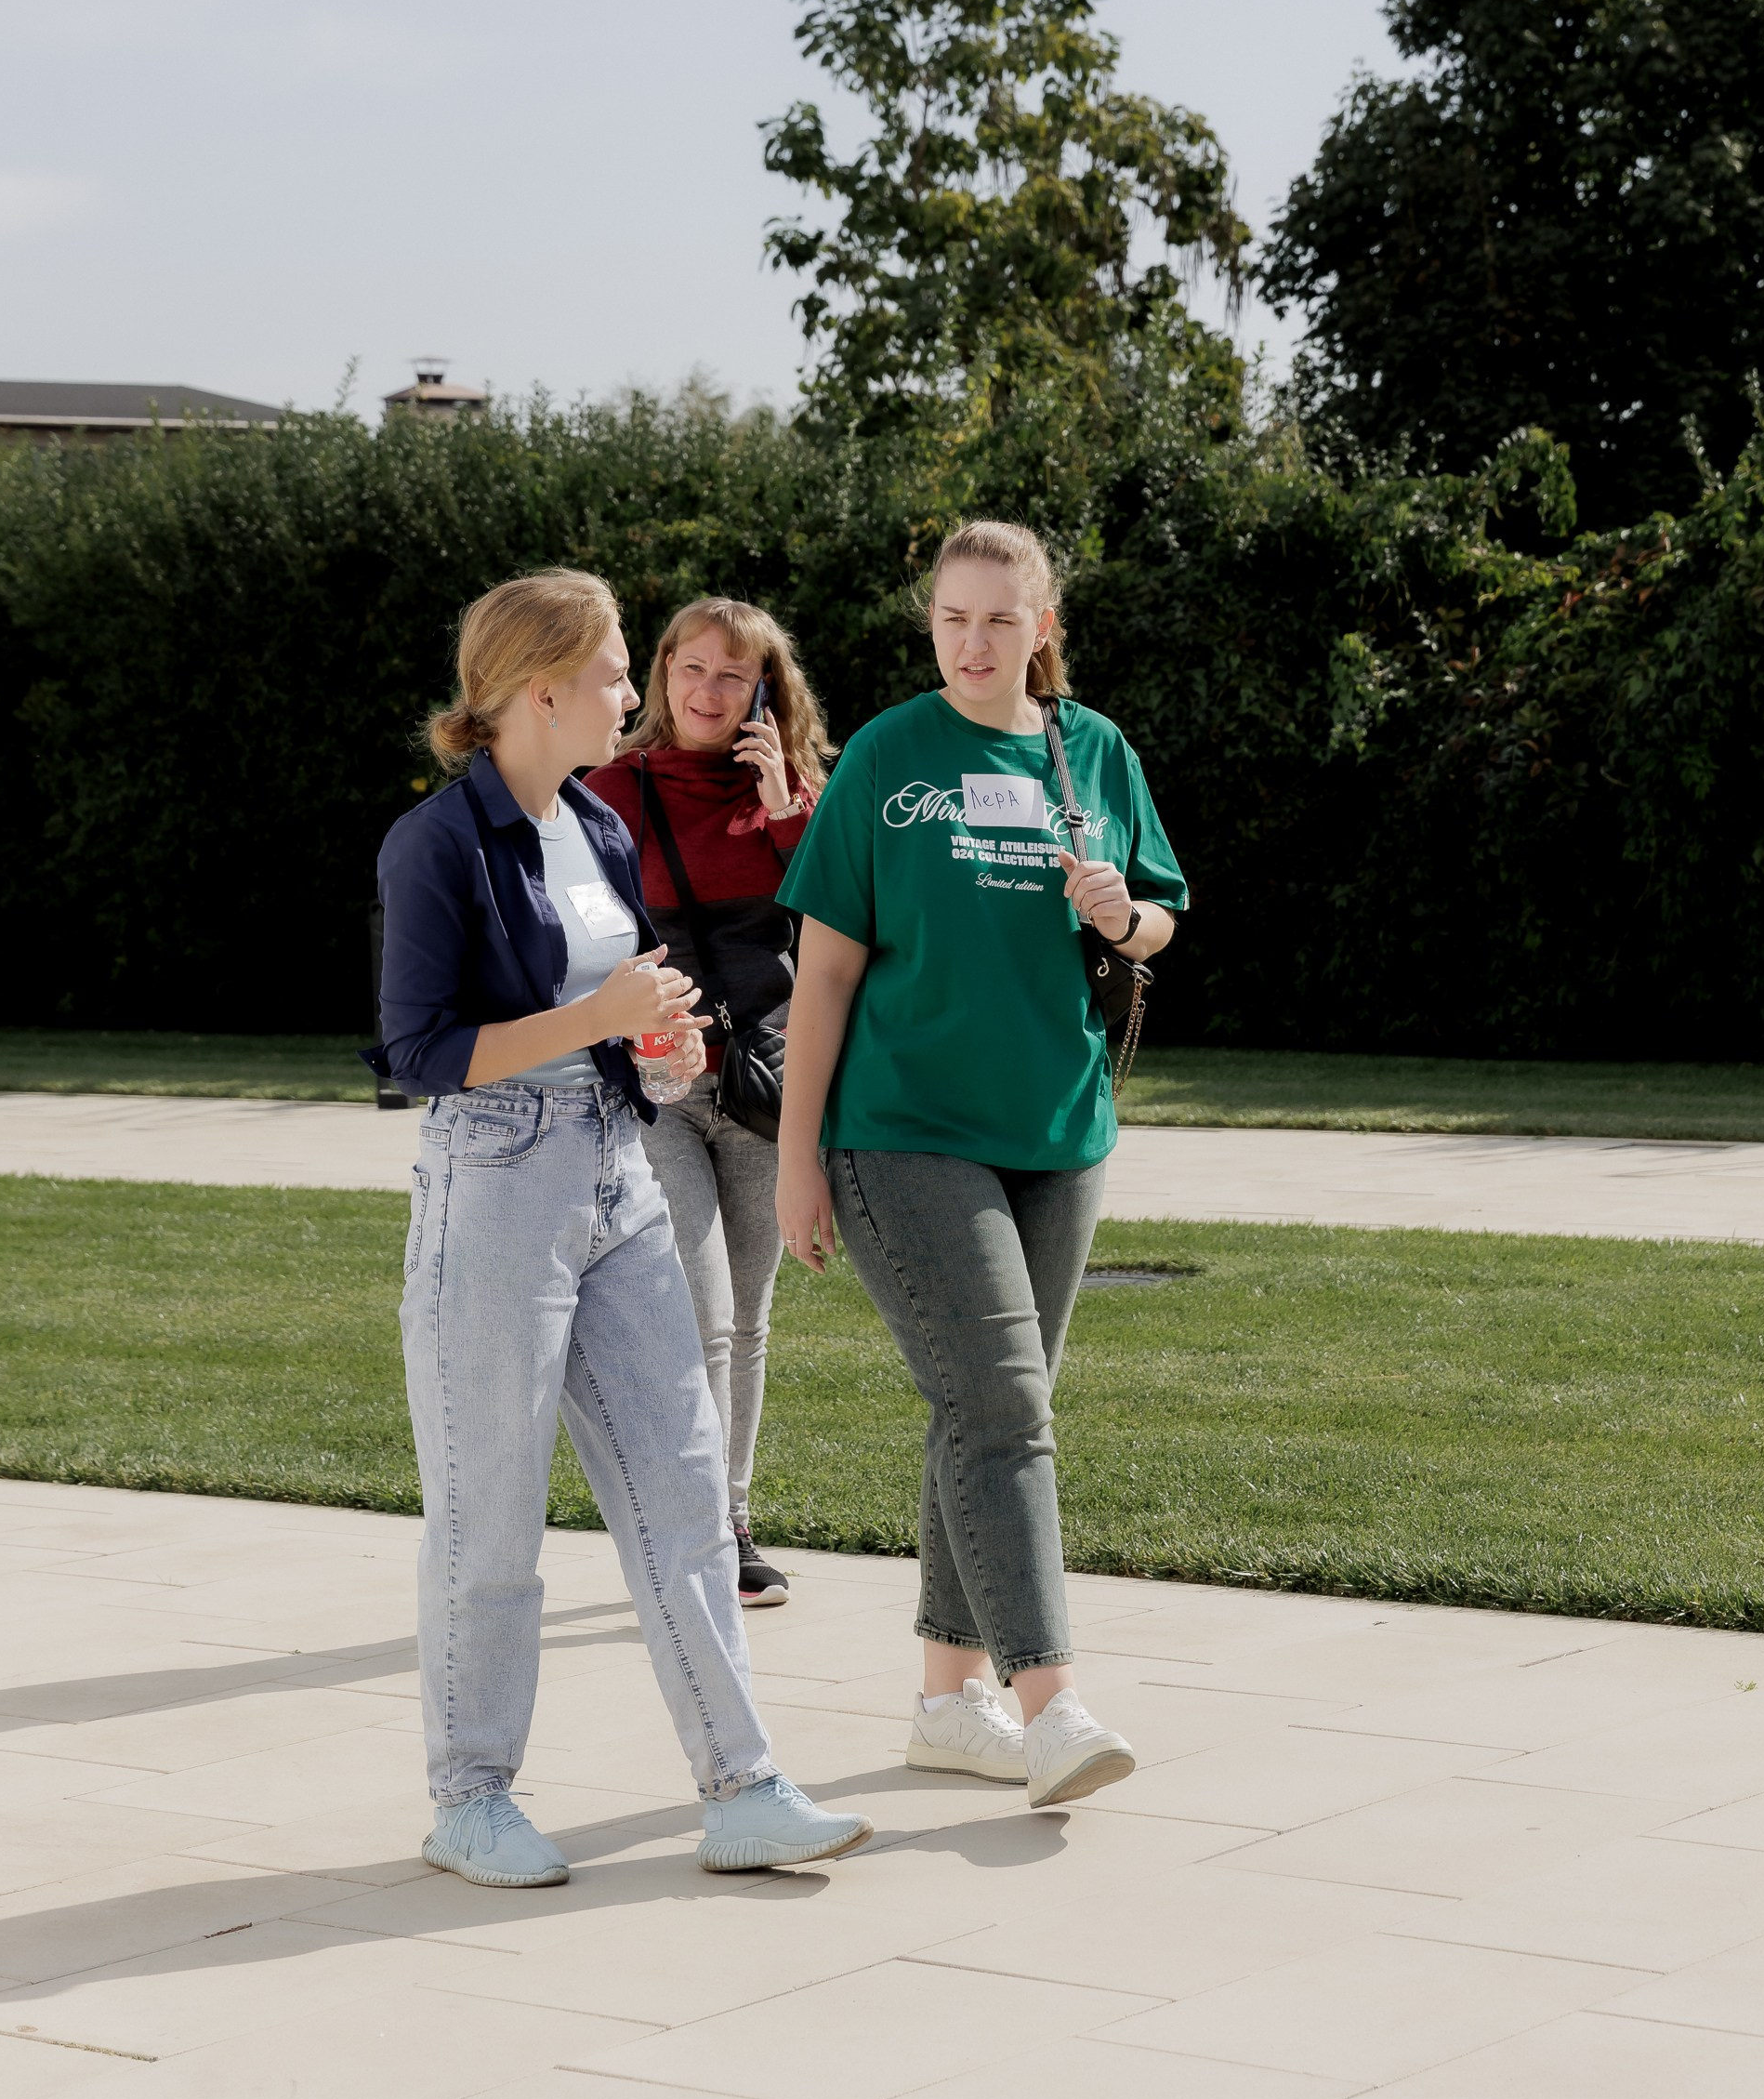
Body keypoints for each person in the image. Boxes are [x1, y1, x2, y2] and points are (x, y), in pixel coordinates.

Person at [370, 568, 872, 1885]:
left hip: (616, 1172)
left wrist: (656, 1047)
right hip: (494, 1192)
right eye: (605, 673)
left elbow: (620, 1005)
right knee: (491, 1519)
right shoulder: (437, 845)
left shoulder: (593, 824)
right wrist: (597, 1023)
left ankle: (744, 1783)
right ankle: (470, 1798)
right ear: (537, 689)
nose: (624, 694)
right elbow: (414, 1053)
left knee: (686, 1495)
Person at [774, 519, 1186, 1809]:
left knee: (988, 1406)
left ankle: (948, 1701)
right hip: (904, 1131)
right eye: (953, 618)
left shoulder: (1094, 749)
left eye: (1000, 619)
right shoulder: (892, 757)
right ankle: (1051, 1704)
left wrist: (1127, 914)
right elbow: (825, 974)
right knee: (1004, 1407)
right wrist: (798, 1160)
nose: (973, 641)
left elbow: (1161, 917)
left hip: (1060, 1134)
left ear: (1042, 628)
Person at [586, 597, 831, 1611]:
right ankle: (691, 1525)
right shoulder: (607, 791)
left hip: (769, 1088)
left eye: (733, 676)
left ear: (767, 693)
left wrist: (786, 814)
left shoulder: (803, 801)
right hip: (664, 1086)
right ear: (660, 674)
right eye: (690, 668)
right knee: (700, 1313)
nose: (707, 691)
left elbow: (842, 939)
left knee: (749, 1317)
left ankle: (728, 1519)